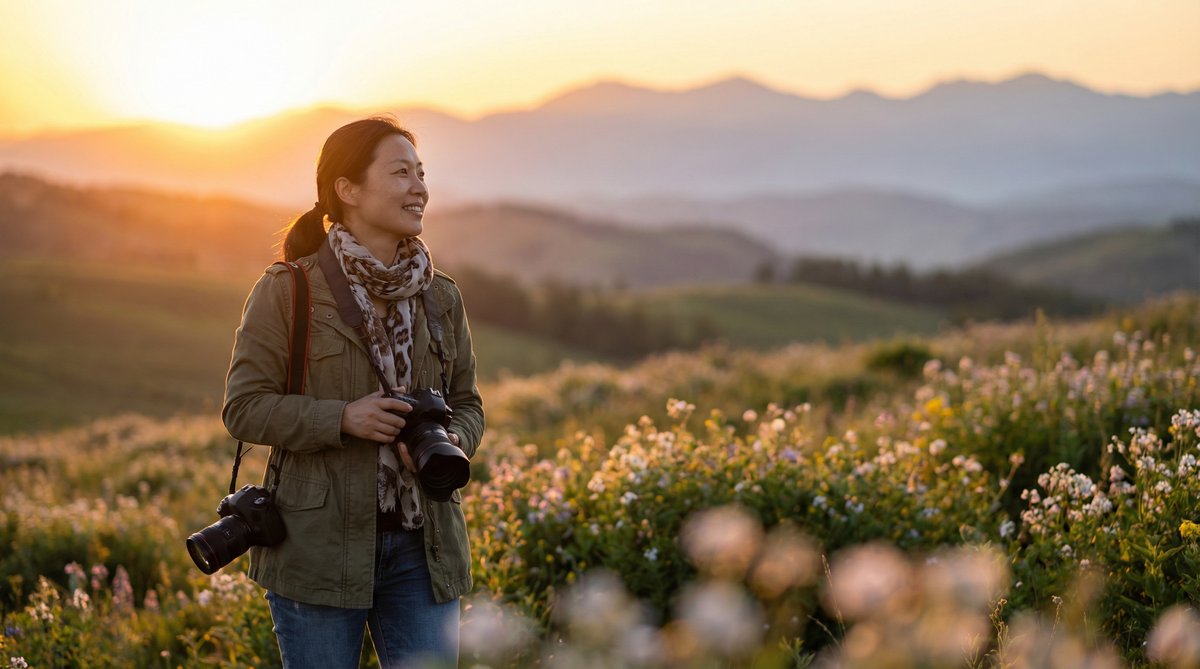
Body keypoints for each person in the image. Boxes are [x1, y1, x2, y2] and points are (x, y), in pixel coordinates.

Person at [222, 115, 484, 669]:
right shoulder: (288, 289)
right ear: (347, 189)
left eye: (421, 173)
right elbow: (243, 408)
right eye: (400, 173)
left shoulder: (441, 297)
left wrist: (448, 439)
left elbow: (468, 403)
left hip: (425, 547)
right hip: (316, 549)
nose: (419, 188)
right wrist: (343, 418)